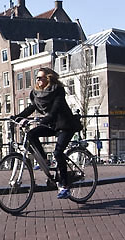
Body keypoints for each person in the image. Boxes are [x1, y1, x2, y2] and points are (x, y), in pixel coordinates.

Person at [11, 67, 81, 198]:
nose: (37, 80)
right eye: (36, 78)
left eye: (40, 77)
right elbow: (32, 107)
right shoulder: (37, 94)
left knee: (58, 153)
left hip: (65, 125)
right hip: (52, 124)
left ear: (48, 78)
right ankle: (44, 160)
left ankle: (65, 186)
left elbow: (56, 108)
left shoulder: (58, 91)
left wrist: (46, 118)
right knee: (31, 135)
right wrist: (17, 117)